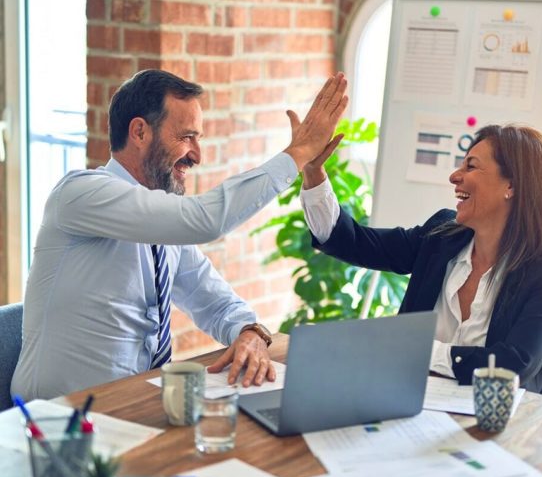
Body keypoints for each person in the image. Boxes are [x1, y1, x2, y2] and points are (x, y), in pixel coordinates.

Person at [12, 69, 347, 400]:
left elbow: (214, 300)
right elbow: (205, 220)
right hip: (57, 422)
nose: (197, 155)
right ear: (140, 132)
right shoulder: (81, 194)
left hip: (133, 408)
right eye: (187, 137)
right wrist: (298, 153)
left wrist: (250, 331)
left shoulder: (162, 226)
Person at [299, 124, 542, 393]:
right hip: (409, 406)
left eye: (471, 166)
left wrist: (417, 350)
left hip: (497, 428)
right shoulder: (441, 237)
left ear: (512, 186)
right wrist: (313, 173)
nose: (455, 176)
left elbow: (511, 366)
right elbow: (352, 242)